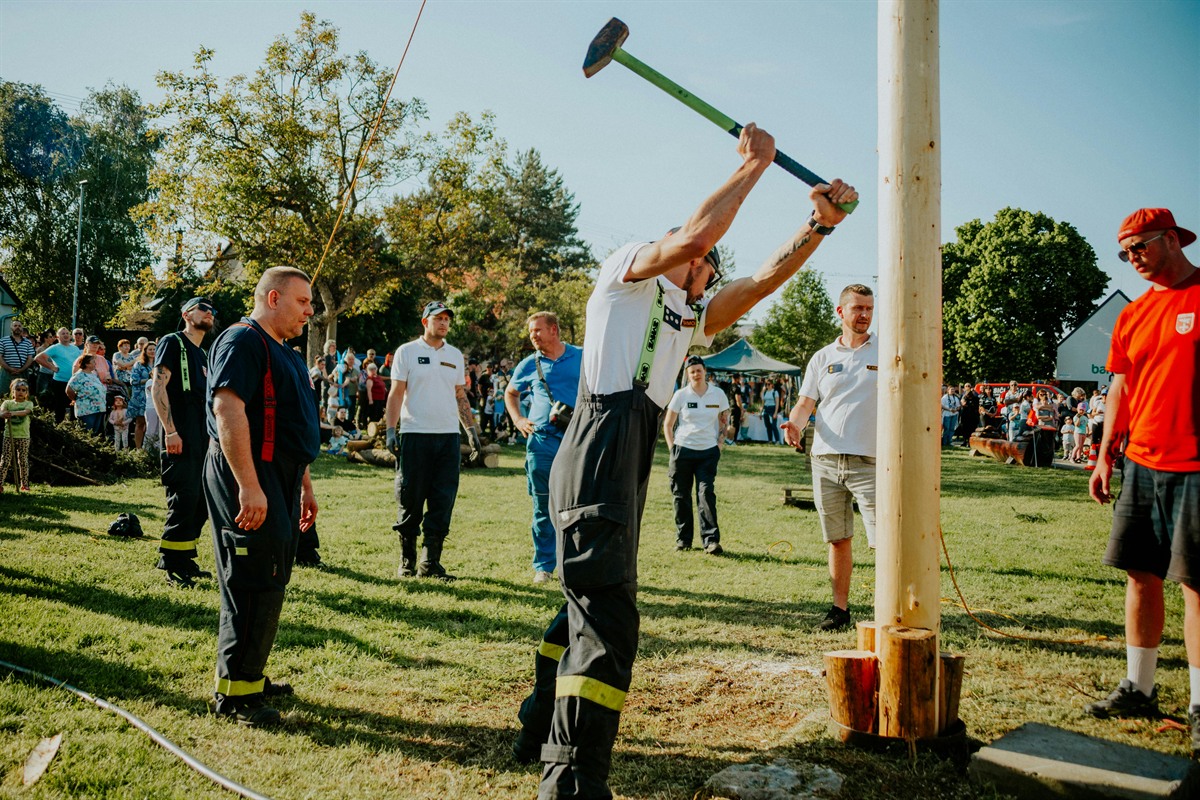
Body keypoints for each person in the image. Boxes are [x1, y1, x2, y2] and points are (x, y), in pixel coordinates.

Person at [511, 122, 856, 799]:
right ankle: (571, 783)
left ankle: (535, 726)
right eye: (706, 270)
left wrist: (818, 227)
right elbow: (699, 237)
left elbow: (757, 286)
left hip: (627, 446)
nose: (711, 277)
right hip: (599, 439)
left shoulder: (684, 314)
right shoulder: (629, 271)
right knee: (607, 617)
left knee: (586, 602)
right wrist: (755, 165)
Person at [1084, 208, 1200, 757]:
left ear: (1173, 240)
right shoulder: (1134, 314)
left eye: (1141, 247)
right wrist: (1106, 454)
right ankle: (1140, 687)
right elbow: (1120, 389)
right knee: (1140, 575)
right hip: (1142, 462)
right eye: (1125, 252)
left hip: (1196, 464)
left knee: (1196, 585)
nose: (1133, 259)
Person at [204, 266, 320, 727]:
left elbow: (294, 422)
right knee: (250, 577)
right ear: (273, 298)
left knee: (271, 574)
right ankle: (234, 694)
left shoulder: (285, 352)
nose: (309, 312)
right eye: (303, 302)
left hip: (282, 476)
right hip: (248, 473)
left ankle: (251, 675)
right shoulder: (242, 341)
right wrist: (249, 486)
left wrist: (304, 486)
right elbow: (227, 408)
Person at [781, 284, 878, 633]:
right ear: (841, 312)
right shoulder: (823, 357)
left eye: (869, 308)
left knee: (883, 539)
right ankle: (840, 610)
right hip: (825, 459)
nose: (864, 314)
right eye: (857, 308)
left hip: (871, 461)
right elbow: (807, 402)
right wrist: (794, 422)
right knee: (837, 538)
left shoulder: (886, 349)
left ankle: (891, 608)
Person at [384, 301, 482, 581]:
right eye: (437, 318)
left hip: (448, 437)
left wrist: (471, 430)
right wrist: (392, 429)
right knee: (410, 499)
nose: (443, 323)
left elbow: (459, 394)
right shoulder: (407, 352)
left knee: (442, 500)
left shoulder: (454, 354)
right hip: (415, 434)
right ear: (425, 322)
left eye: (447, 319)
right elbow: (396, 393)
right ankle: (407, 561)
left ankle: (431, 563)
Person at [505, 311, 583, 584]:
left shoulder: (582, 356)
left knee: (579, 504)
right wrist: (518, 419)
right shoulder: (529, 364)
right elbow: (511, 393)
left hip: (578, 441)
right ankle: (544, 566)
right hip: (541, 442)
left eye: (537, 330)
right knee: (543, 505)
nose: (533, 336)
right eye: (530, 332)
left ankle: (574, 562)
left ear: (554, 329)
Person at [153, 297, 215, 588]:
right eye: (203, 308)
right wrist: (170, 430)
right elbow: (158, 386)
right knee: (184, 496)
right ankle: (171, 564)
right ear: (187, 314)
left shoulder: (203, 354)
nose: (209, 313)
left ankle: (185, 557)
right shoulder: (172, 342)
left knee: (202, 499)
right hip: (180, 433)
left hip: (203, 435)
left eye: (212, 311)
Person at [663, 355, 730, 554]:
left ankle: (711, 541)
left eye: (699, 370)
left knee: (706, 494)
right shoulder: (681, 395)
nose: (696, 374)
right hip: (682, 451)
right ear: (687, 374)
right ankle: (684, 540)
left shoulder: (717, 394)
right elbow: (668, 424)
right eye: (692, 371)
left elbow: (724, 420)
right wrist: (672, 448)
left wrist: (719, 443)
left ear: (705, 372)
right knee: (681, 496)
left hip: (707, 453)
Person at [34, 328, 81, 423]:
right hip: (60, 382)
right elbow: (38, 358)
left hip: (73, 382)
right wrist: (52, 368)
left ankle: (74, 430)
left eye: (67, 333)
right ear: (57, 337)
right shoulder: (55, 347)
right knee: (60, 407)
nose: (66, 335)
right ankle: (59, 427)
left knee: (74, 406)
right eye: (63, 333)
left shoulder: (75, 348)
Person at [0, 379, 34, 492]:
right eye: (18, 389)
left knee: (23, 461)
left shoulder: (28, 403)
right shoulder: (7, 403)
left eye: (23, 390)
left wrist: (12, 413)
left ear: (26, 393)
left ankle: (24, 484)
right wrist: (4, 414)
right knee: (5, 460)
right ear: (12, 391)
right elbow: (2, 412)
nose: (20, 392)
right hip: (9, 436)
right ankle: (0, 483)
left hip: (24, 436)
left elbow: (25, 412)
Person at [66, 354, 106, 435]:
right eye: (93, 362)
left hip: (99, 408)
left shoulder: (93, 374)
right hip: (86, 410)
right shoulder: (78, 376)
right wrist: (75, 399)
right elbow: (69, 390)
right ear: (87, 364)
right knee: (87, 433)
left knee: (95, 434)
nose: (95, 363)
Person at [0, 319, 36, 397]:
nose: (17, 327)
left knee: (22, 397)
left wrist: (22, 369)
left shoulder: (28, 342)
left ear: (22, 328)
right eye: (15, 325)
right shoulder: (3, 341)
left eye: (19, 326)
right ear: (11, 328)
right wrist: (9, 368)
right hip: (6, 373)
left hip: (22, 373)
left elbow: (30, 358)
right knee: (3, 395)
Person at [129, 342, 154, 449]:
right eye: (150, 349)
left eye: (154, 349)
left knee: (152, 424)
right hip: (140, 397)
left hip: (154, 398)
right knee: (140, 423)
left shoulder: (159, 363)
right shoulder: (139, 364)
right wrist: (149, 380)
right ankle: (138, 449)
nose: (152, 352)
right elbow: (133, 380)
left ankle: (151, 447)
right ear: (145, 351)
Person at [761, 379, 781, 445]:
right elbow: (763, 402)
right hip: (766, 409)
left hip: (772, 409)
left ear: (772, 385)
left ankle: (777, 440)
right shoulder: (765, 392)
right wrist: (761, 412)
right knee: (768, 426)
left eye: (769, 384)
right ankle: (770, 440)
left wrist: (775, 412)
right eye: (766, 384)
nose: (767, 386)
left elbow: (777, 403)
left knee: (773, 426)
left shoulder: (775, 392)